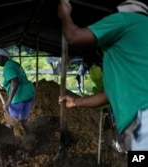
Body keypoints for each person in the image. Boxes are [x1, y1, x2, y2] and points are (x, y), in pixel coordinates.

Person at [58, 0, 148, 151]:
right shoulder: (135, 52)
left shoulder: (126, 20)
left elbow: (74, 36)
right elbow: (108, 95)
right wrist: (75, 102)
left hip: (143, 122)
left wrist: (65, 14)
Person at [0, 48, 35, 133]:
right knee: (24, 120)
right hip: (29, 94)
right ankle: (30, 138)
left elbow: (14, 82)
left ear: (4, 57)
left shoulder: (8, 67)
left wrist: (8, 101)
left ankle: (4, 141)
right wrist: (2, 87)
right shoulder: (14, 64)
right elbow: (10, 81)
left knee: (10, 122)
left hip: (19, 96)